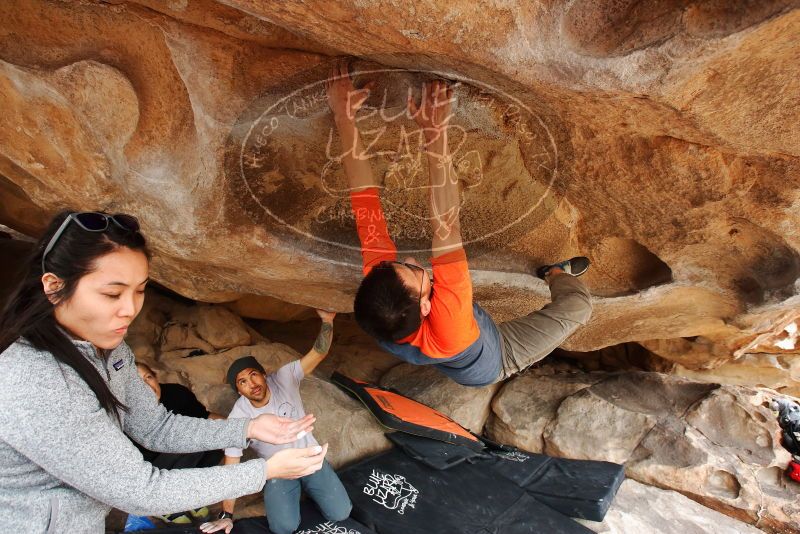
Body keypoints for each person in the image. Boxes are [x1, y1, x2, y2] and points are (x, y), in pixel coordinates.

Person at [0, 211, 328, 533]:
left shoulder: (110, 350)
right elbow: (143, 492)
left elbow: (156, 427)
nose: (130, 309)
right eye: (112, 293)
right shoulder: (35, 380)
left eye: (140, 290)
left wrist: (248, 428)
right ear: (54, 287)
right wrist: (265, 470)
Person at [326, 64, 593, 387]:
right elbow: (445, 226)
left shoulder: (384, 295)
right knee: (579, 307)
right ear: (426, 305)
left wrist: (344, 117)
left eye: (400, 265)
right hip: (497, 359)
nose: (410, 261)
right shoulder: (448, 319)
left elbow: (364, 200)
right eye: (414, 272)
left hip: (467, 338)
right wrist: (434, 132)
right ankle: (554, 273)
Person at [200, 310, 351, 534]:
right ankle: (295, 495)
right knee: (283, 528)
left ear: (264, 374)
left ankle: (313, 487)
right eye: (242, 382)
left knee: (341, 513)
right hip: (279, 470)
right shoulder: (239, 416)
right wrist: (227, 514)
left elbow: (318, 353)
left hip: (311, 457)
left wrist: (327, 320)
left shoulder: (283, 378)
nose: (251, 383)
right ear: (239, 390)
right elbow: (231, 467)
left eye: (253, 375)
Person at [131, 362, 225, 523]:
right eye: (138, 383)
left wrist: (240, 429)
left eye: (148, 378)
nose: (147, 386)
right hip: (149, 470)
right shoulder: (126, 413)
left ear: (156, 377)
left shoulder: (176, 393)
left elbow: (203, 417)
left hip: (180, 454)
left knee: (218, 441)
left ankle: (187, 494)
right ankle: (163, 504)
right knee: (188, 440)